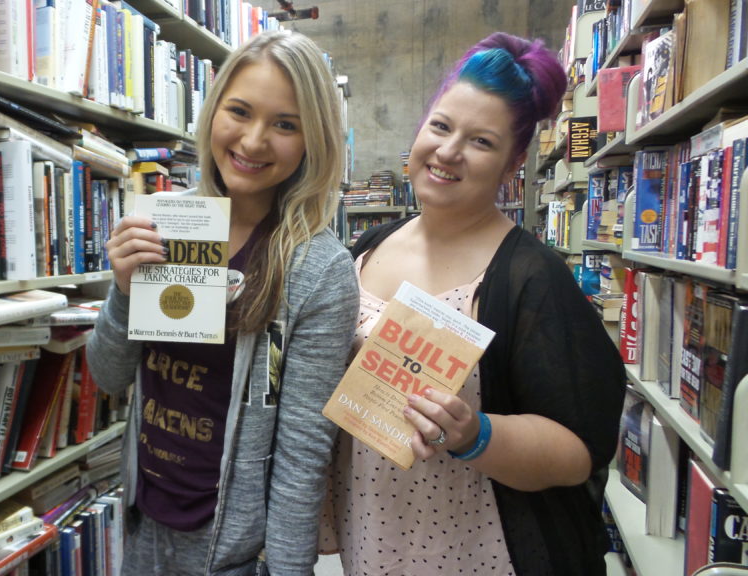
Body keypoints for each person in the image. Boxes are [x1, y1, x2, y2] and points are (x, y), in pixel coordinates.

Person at [319, 32, 626, 576]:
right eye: (440, 126)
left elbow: (578, 450)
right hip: (371, 538)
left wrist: (476, 433)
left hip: (476, 553)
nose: (448, 151)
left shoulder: (531, 278)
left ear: (514, 162)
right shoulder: (364, 250)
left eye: (481, 142)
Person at [86, 30, 359, 576]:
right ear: (213, 112)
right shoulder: (163, 224)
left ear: (314, 140)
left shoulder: (318, 270)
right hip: (146, 518)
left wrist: (287, 570)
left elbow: (303, 455)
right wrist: (121, 294)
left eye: (285, 124)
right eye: (239, 111)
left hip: (234, 550)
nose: (254, 141)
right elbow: (108, 376)